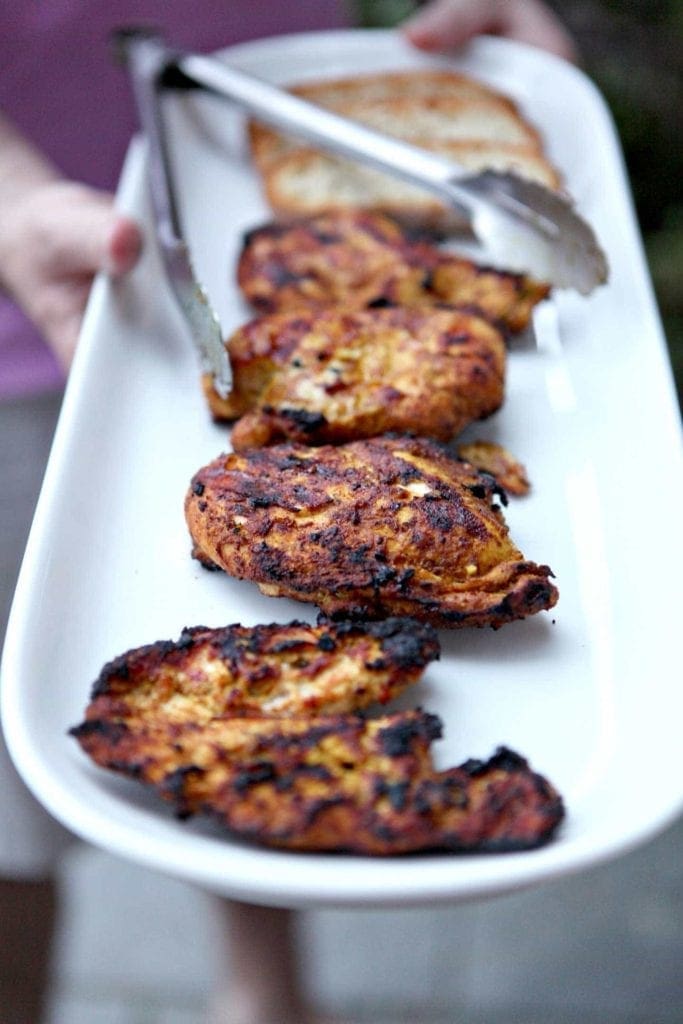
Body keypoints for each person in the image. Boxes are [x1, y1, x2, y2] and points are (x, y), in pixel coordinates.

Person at [0, 2, 576, 1022]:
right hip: (25, 298)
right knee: (12, 813)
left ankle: (265, 988)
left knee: (251, 722)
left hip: (272, 75)